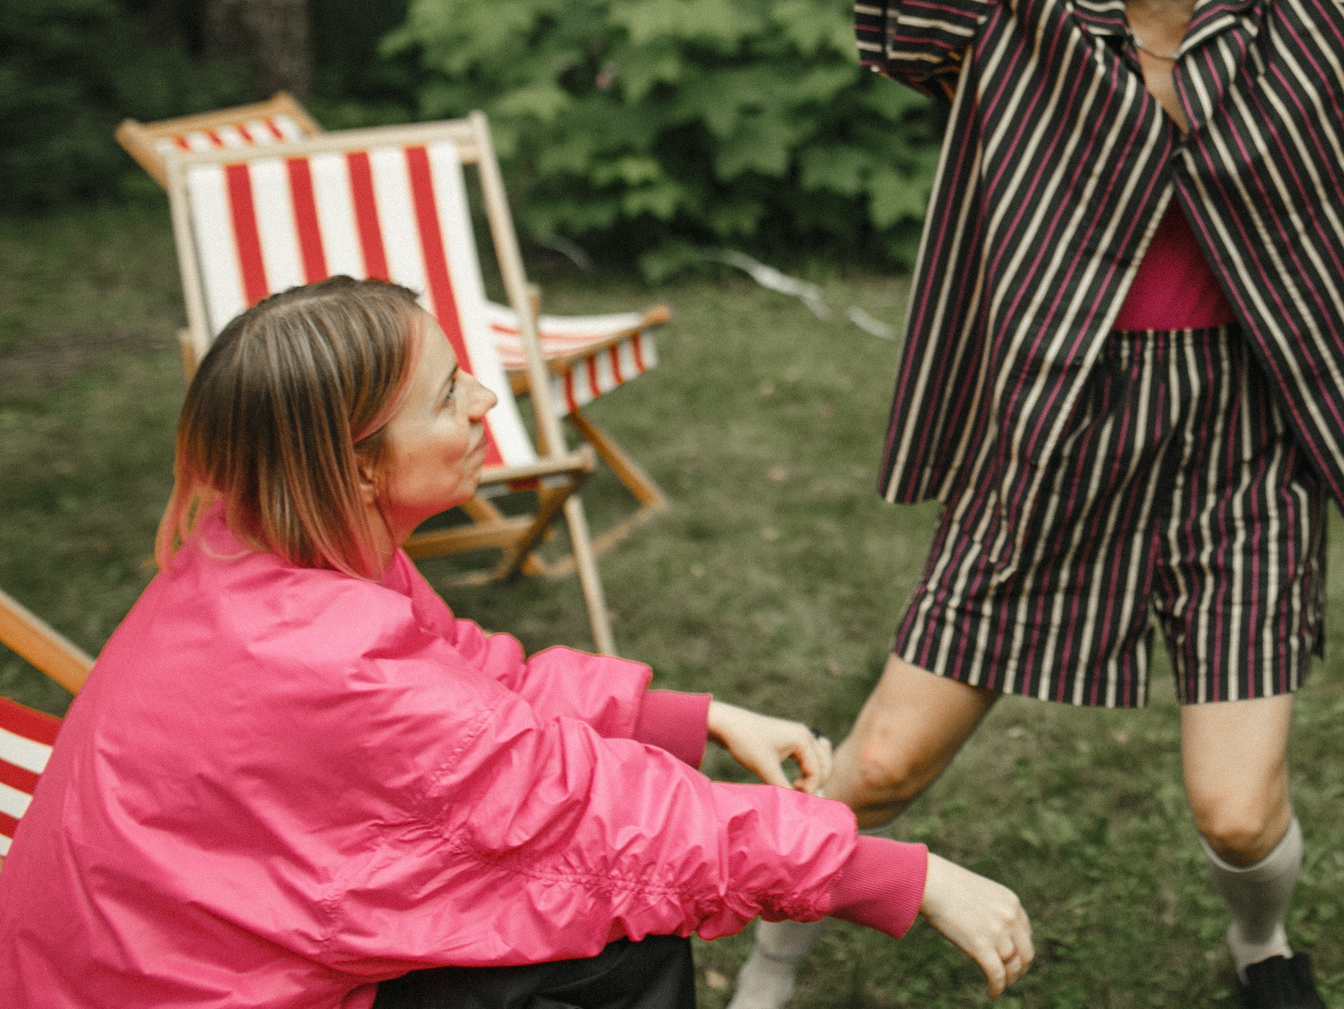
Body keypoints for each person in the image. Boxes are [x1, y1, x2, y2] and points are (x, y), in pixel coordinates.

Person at [725, 0, 1344, 1009]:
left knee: (1239, 809)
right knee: (884, 760)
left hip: (1247, 430)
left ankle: (1262, 943)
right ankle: (765, 968)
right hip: (1052, 416)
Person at [0, 277, 1031, 1008]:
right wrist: (905, 876)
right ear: (359, 470)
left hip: (150, 945)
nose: (489, 400)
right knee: (616, 945)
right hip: (178, 985)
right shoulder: (327, 656)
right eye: (451, 395)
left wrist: (701, 717)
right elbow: (591, 813)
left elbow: (474, 683)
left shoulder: (272, 545)